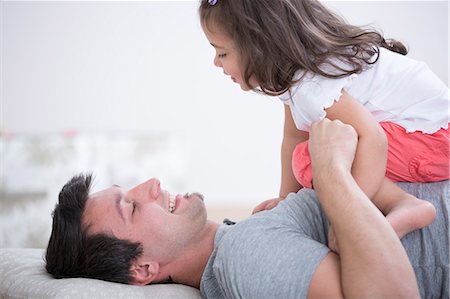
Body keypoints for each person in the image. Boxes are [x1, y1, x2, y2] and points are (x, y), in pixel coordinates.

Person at [45, 119, 449, 298]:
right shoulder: (243, 255)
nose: (150, 184)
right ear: (143, 269)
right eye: (131, 207)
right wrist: (331, 172)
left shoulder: (244, 239)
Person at [199, 0, 449, 249]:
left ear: (260, 47)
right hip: (428, 136)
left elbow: (373, 137)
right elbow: (294, 138)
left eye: (222, 53)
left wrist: (349, 219)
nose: (216, 62)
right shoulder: (297, 77)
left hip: (434, 142)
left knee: (312, 159)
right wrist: (287, 199)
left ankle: (404, 204)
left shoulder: (311, 87)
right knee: (309, 150)